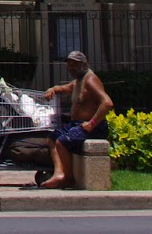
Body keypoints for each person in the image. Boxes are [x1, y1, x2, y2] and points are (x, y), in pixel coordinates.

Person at [35, 50, 113, 190]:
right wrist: (54, 89)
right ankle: (59, 174)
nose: (71, 69)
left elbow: (107, 103)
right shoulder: (79, 80)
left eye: (75, 65)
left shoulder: (90, 80)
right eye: (69, 65)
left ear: (84, 65)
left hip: (93, 127)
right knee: (52, 138)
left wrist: (92, 124)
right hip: (77, 124)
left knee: (62, 142)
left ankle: (68, 178)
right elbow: (66, 88)